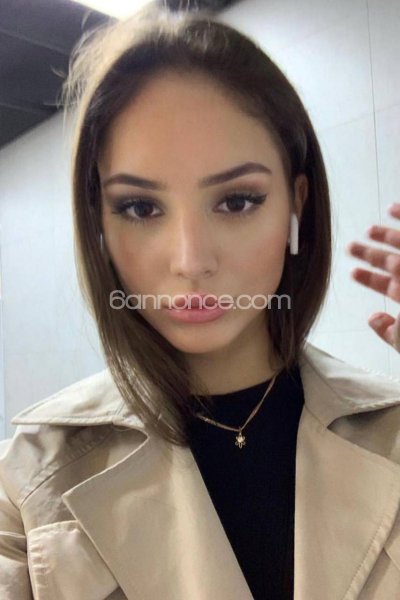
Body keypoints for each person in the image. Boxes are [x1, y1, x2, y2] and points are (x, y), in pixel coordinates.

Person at [1, 3, 400, 599]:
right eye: (140, 207)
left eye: (237, 201)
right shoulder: (28, 484)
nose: (190, 260)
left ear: (295, 205)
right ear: (99, 225)